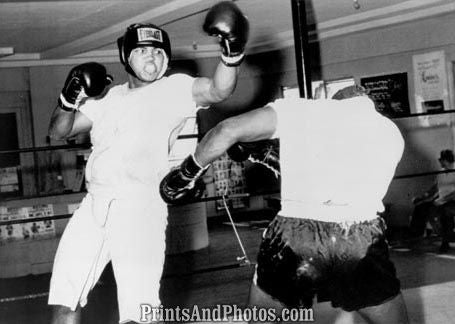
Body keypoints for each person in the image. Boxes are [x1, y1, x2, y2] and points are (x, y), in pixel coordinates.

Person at [47, 2, 249, 323]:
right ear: (127, 57)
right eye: (142, 52)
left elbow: (218, 89)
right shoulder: (107, 98)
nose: (151, 58)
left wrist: (232, 52)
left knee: (138, 315)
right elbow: (60, 131)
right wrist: (68, 98)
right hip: (94, 205)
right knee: (64, 302)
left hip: (138, 208)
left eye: (157, 52)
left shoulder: (175, 89)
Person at [160, 86, 409, 323]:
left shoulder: (304, 110)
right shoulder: (390, 132)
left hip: (295, 236)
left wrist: (183, 176)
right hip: (359, 238)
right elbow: (343, 176)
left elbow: (226, 130)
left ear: (330, 100)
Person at [409, 149, 455, 253]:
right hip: (440, 200)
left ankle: (445, 242)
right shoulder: (441, 173)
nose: (440, 162)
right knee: (420, 207)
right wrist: (422, 197)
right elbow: (434, 188)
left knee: (445, 212)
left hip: (452, 201)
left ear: (447, 160)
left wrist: (443, 199)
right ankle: (416, 235)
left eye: (441, 160)